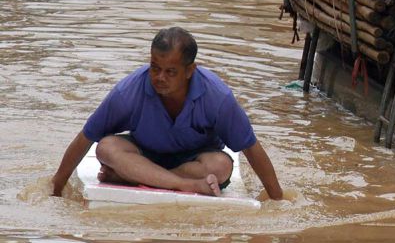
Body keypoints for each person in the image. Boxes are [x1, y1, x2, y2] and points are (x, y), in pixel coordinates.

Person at [51, 27, 283, 200]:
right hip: (145, 154)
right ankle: (183, 185)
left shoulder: (217, 97)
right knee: (106, 148)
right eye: (155, 68)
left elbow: (250, 146)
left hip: (194, 161)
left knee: (221, 166)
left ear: (190, 70)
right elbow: (87, 136)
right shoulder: (128, 90)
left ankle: (136, 178)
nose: (160, 77)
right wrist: (55, 187)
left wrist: (277, 199)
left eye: (171, 71)